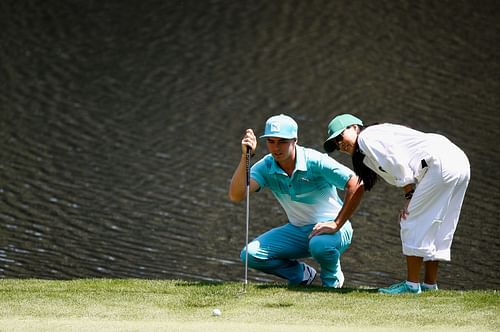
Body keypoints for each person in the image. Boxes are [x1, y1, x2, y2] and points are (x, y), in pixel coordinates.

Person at [323, 114, 470, 294]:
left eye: (340, 137)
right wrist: (410, 194)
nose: (340, 144)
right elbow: (400, 164)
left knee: (410, 222)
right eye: (336, 144)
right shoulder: (372, 139)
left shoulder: (366, 138)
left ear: (354, 127)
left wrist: (410, 197)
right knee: (436, 224)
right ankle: (430, 286)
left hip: (440, 163)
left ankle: (411, 286)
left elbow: (398, 164)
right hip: (458, 161)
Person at [229, 114, 364, 287]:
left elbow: (356, 184)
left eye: (282, 142)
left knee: (320, 244)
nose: (276, 148)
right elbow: (236, 195)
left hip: (335, 229)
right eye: (271, 141)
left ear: (295, 140)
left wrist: (336, 223)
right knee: (250, 255)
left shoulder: (315, 161)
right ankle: (301, 275)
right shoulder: (266, 166)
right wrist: (245, 157)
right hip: (298, 230)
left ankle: (332, 282)